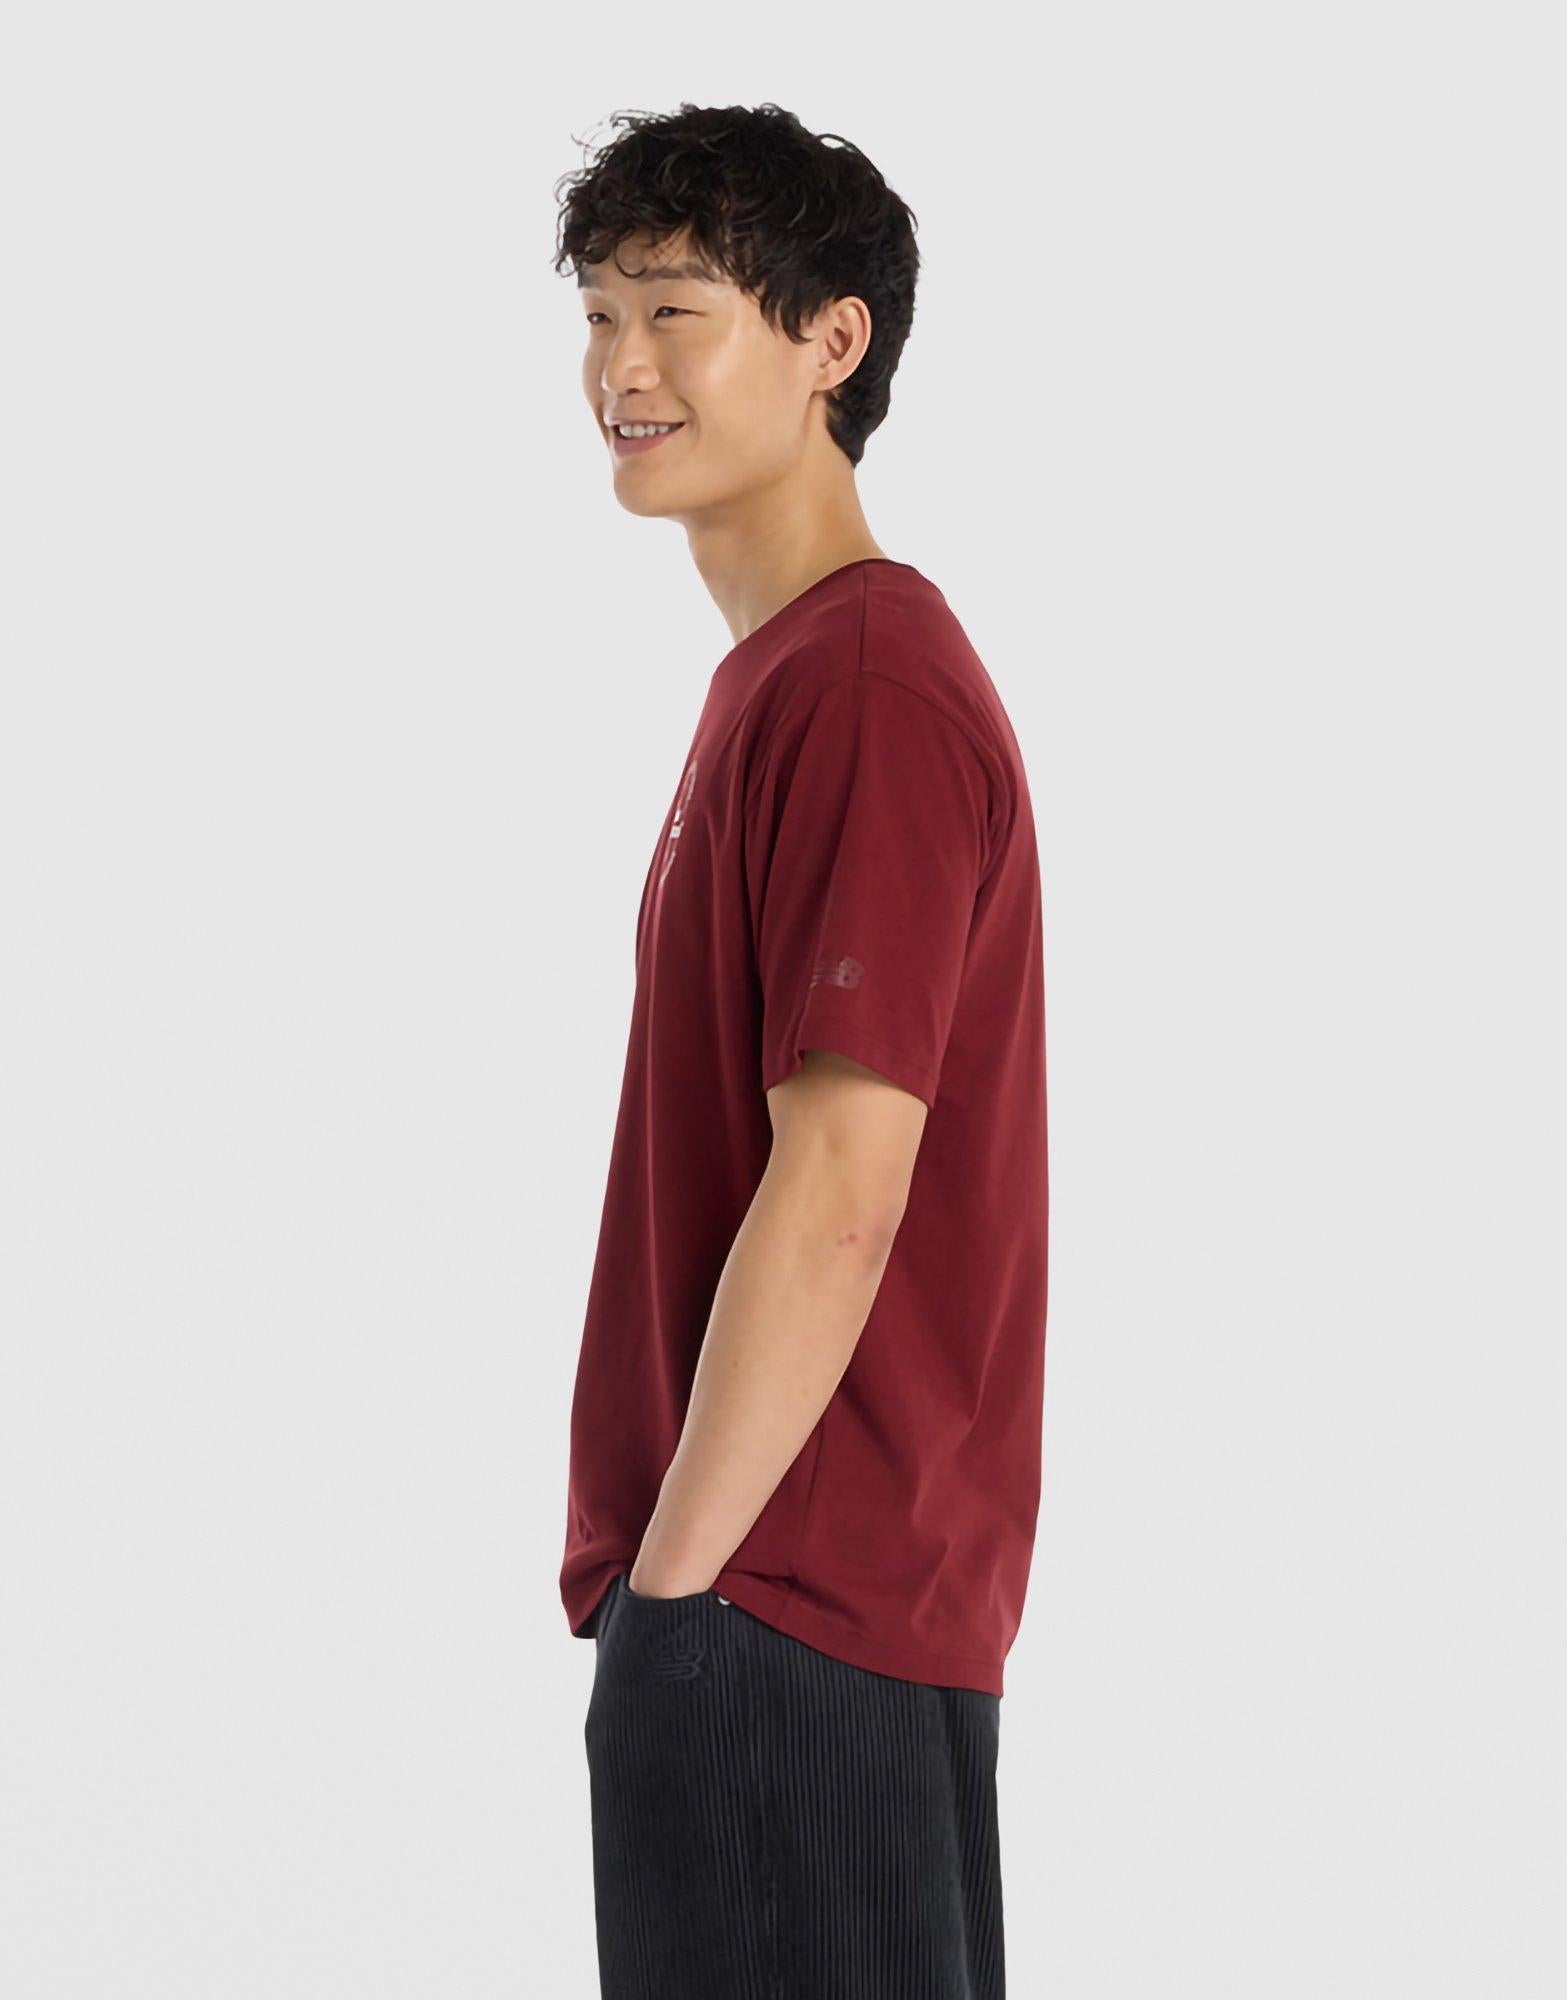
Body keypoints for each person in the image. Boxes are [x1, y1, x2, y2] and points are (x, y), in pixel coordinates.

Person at [552, 102, 1048, 1999]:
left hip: (786, 1595)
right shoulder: (790, 678)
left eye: (674, 311)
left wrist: (680, 1591)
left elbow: (844, 1181)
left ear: (834, 341)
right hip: (810, 1596)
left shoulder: (858, 684)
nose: (622, 368)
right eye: (599, 316)